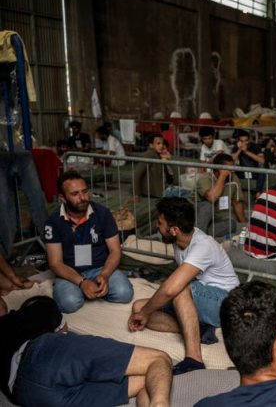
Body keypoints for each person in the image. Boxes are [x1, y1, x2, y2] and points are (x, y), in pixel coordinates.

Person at [129, 197, 240, 375]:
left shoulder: (203, 245)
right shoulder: (179, 242)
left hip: (225, 302)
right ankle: (201, 329)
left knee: (177, 290)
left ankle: (194, 359)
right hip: (199, 298)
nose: (157, 226)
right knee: (138, 307)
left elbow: (171, 288)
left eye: (160, 223)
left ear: (174, 230)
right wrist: (144, 312)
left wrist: (145, 313)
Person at [0, 295, 172, 407]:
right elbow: (63, 332)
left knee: (148, 380)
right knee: (158, 359)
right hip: (43, 353)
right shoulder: (35, 308)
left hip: (25, 394)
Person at [43, 171, 133, 313]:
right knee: (69, 302)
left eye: (85, 191)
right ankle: (83, 291)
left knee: (124, 293)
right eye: (75, 194)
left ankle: (93, 290)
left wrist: (105, 275)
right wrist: (82, 283)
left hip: (100, 268)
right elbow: (55, 263)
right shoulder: (53, 221)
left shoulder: (103, 213)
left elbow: (115, 250)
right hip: (70, 272)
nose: (82, 197)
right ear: (62, 198)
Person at [196, 153, 247, 238]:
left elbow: (237, 203)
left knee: (231, 224)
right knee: (207, 206)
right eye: (229, 169)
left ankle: (200, 235)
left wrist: (244, 224)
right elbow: (212, 198)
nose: (232, 171)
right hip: (197, 216)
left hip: (215, 218)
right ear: (219, 169)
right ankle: (197, 237)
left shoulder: (233, 178)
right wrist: (223, 175)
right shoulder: (205, 178)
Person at [133, 133, 174, 198]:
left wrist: (167, 160)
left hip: (163, 188)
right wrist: (136, 194)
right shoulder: (149, 155)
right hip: (155, 192)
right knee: (185, 193)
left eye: (162, 143)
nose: (161, 146)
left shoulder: (158, 154)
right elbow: (137, 174)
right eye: (158, 143)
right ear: (151, 145)